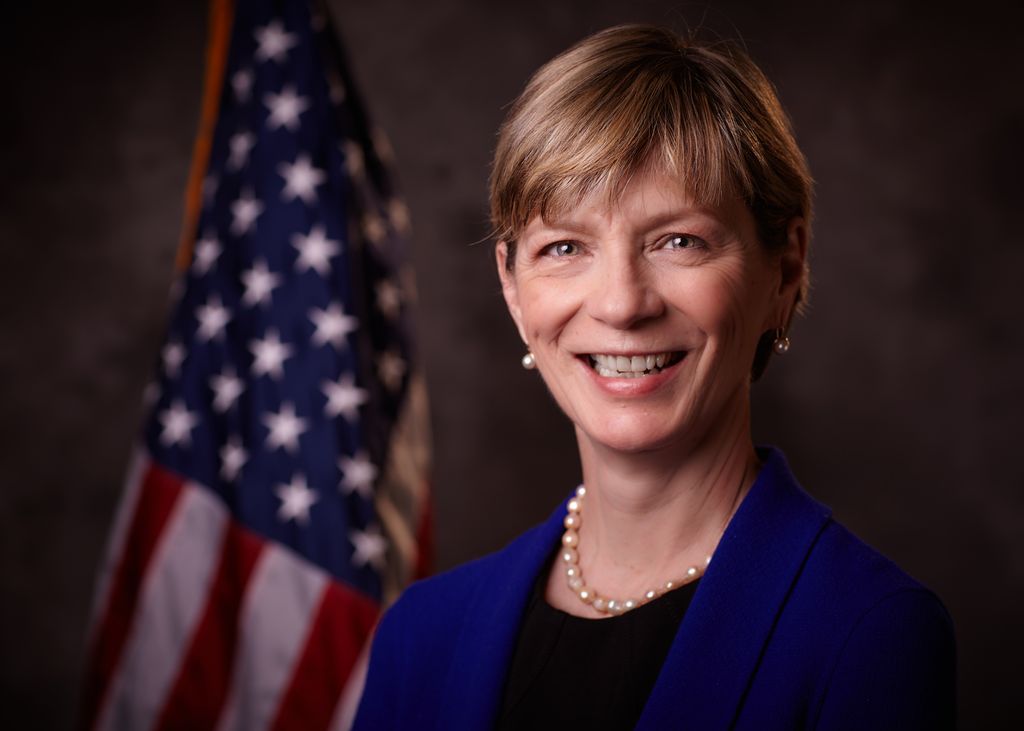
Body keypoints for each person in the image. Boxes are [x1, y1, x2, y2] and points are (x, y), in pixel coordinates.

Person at [353, 24, 955, 730]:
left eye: (678, 241)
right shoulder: (419, 637)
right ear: (514, 290)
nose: (621, 303)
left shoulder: (869, 634)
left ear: (783, 270)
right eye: (565, 246)